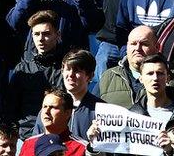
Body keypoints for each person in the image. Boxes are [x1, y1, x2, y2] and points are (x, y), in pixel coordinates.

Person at [89, 54, 174, 152]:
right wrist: (95, 141)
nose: (155, 78)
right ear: (141, 79)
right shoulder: (132, 115)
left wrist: (171, 150)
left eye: (160, 73)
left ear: (168, 78)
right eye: (150, 74)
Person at [99, 25, 174, 109]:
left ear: (157, 47)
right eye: (133, 44)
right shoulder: (108, 77)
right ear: (127, 46)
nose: (137, 48)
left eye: (144, 44)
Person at [7, 10, 64, 140]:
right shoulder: (23, 69)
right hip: (26, 136)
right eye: (36, 34)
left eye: (46, 34)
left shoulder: (67, 68)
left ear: (58, 35)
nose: (40, 39)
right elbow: (11, 106)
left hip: (59, 136)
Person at [32, 49, 104, 141]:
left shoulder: (101, 110)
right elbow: (36, 144)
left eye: (77, 71)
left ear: (90, 76)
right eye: (68, 69)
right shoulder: (48, 108)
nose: (70, 74)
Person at [19, 88, 86, 156]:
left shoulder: (81, 148)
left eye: (53, 107)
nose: (46, 111)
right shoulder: (29, 144)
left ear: (68, 113)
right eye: (44, 107)